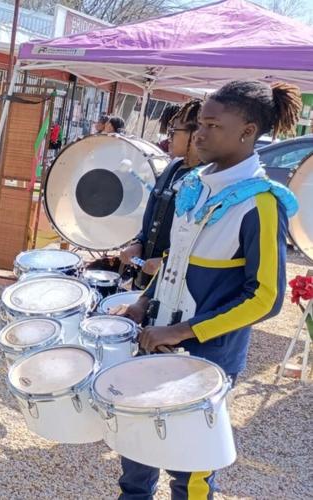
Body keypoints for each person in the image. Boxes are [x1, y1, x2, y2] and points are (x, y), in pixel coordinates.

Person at [116, 80, 301, 499]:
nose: (199, 134)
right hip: (156, 339)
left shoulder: (260, 203)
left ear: (247, 131)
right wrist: (144, 302)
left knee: (191, 467)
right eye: (200, 123)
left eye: (213, 126)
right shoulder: (195, 183)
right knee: (137, 447)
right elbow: (175, 260)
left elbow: (266, 298)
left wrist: (183, 331)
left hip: (207, 358)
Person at [119, 99, 202, 289]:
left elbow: (201, 241)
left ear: (195, 134)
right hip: (145, 278)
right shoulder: (173, 166)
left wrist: (167, 261)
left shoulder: (207, 179)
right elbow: (152, 216)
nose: (168, 137)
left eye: (173, 131)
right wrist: (138, 243)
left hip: (176, 284)